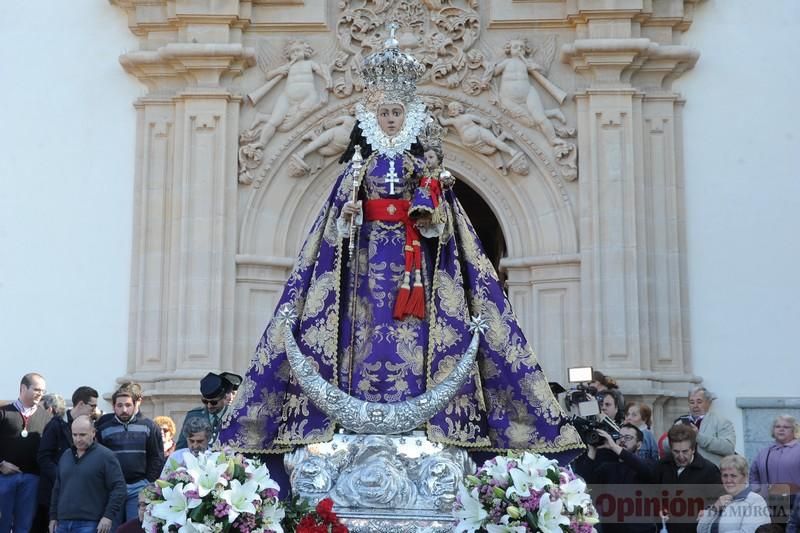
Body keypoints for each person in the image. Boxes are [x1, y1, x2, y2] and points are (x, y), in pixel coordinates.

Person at [219, 24, 582, 460]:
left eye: (397, 111)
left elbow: (442, 225)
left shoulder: (419, 168)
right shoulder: (356, 170)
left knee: (412, 327)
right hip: (366, 264)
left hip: (412, 264)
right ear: (373, 117)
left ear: (408, 115)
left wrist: (429, 206)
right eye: (385, 112)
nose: (391, 118)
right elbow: (332, 229)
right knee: (363, 326)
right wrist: (347, 220)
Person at [95, 383, 164, 528]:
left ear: (135, 405)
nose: (124, 409)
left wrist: (148, 482)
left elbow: (156, 457)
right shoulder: (103, 429)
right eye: (119, 405)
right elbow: (99, 459)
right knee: (111, 528)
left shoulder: (149, 426)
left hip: (139, 487)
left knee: (135, 527)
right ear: (113, 406)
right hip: (113, 489)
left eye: (128, 405)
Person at [48, 416, 126, 533]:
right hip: (62, 522)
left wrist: (108, 516)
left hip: (91, 523)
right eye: (75, 435)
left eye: (82, 435)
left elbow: (119, 488)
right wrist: (53, 517)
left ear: (93, 433)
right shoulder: (66, 455)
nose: (78, 439)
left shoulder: (106, 456)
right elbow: (57, 488)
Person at [38, 386, 99, 532]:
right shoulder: (55, 425)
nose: (95, 410)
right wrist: (62, 476)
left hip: (83, 495)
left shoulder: (92, 427)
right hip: (56, 493)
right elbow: (43, 457)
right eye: (93, 406)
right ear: (81, 404)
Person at [573, 424, 655, 533]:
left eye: (628, 438)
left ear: (639, 445)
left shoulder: (647, 464)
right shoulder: (607, 467)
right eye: (619, 437)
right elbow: (582, 481)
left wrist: (614, 447)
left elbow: (642, 468)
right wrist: (592, 450)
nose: (622, 441)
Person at [0, 372, 51, 533]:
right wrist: (0, 464)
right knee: (2, 523)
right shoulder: (3, 412)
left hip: (32, 479)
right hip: (4, 477)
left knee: (25, 525)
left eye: (42, 391)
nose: (40, 394)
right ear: (23, 388)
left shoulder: (47, 417)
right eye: (36, 389)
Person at [654, 424, 722, 533]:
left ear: (693, 449)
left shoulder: (709, 470)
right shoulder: (662, 465)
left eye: (685, 451)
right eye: (676, 452)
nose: (681, 456)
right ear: (670, 449)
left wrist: (708, 511)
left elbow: (718, 502)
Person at [697, 454, 771, 533]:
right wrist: (715, 508)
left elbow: (749, 531)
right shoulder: (721, 499)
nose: (728, 480)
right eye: (725, 475)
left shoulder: (755, 501)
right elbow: (701, 530)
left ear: (745, 477)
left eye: (733, 476)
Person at [674, 387, 735, 466]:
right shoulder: (680, 423)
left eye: (699, 402)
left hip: (710, 472)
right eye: (692, 402)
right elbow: (665, 447)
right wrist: (677, 436)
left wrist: (698, 437)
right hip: (685, 471)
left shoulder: (721, 422)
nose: (695, 406)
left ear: (708, 403)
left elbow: (729, 448)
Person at [749, 415, 800, 509]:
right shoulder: (764, 452)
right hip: (769, 505)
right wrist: (758, 492)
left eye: (786, 427)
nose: (781, 429)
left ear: (794, 430)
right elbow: (753, 475)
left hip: (796, 505)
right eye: (778, 426)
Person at [175, 372, 231, 450]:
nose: (209, 406)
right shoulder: (194, 415)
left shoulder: (233, 416)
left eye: (213, 402)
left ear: (224, 398)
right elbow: (181, 448)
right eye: (205, 401)